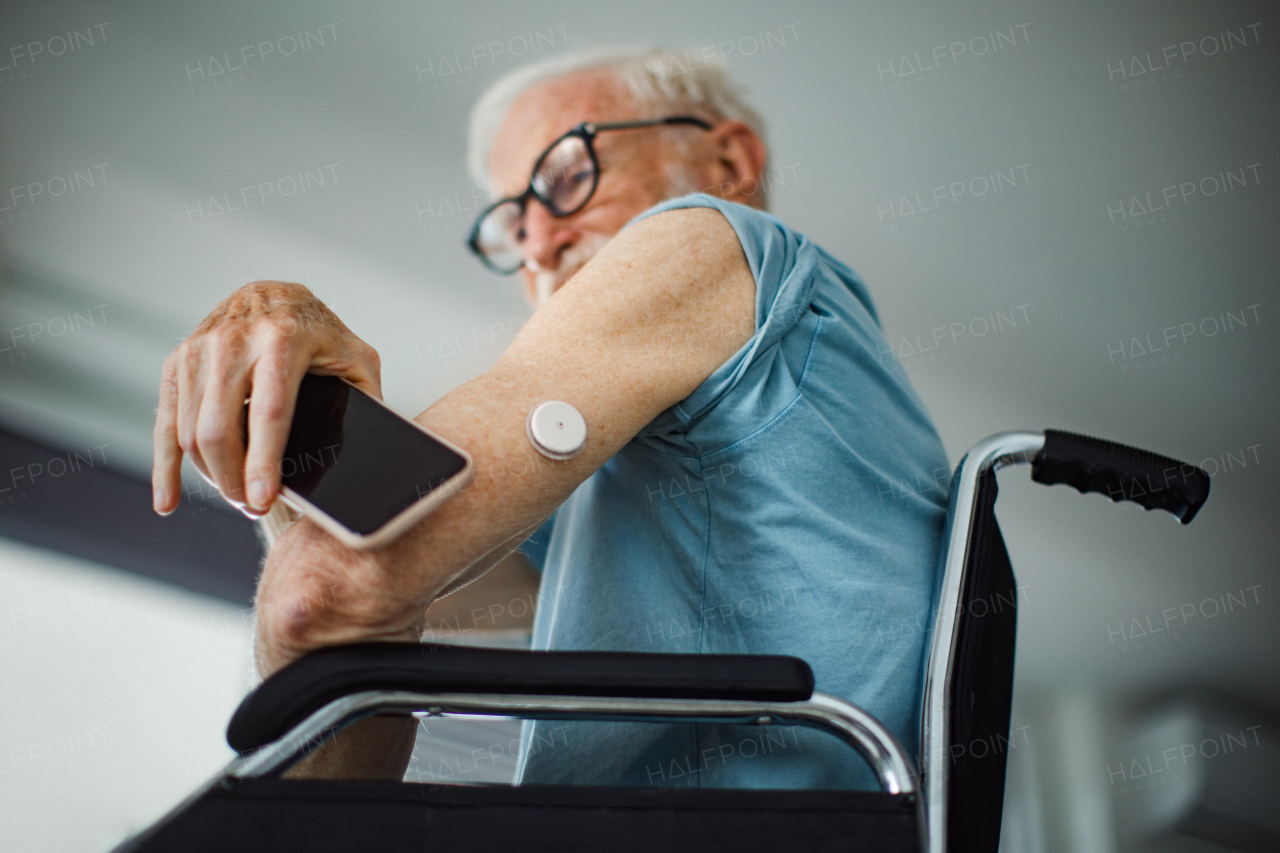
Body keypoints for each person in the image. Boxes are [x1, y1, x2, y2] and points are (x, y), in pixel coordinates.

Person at [151, 46, 950, 788]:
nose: (536, 240)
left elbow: (329, 593)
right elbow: (344, 609)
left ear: (727, 162)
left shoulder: (709, 238)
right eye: (511, 221)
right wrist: (300, 425)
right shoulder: (643, 483)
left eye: (567, 174)